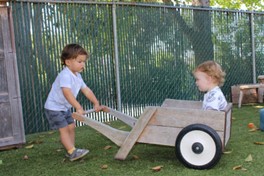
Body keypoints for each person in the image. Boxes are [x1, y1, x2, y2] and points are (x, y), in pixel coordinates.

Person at [44, 43, 101, 161]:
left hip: (64, 108)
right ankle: (72, 152)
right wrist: (78, 107)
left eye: (84, 61)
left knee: (71, 127)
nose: (83, 64)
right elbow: (67, 93)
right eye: (79, 61)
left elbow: (86, 90)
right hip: (54, 107)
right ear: (68, 62)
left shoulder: (77, 76)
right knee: (64, 129)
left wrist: (96, 102)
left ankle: (72, 150)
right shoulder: (65, 75)